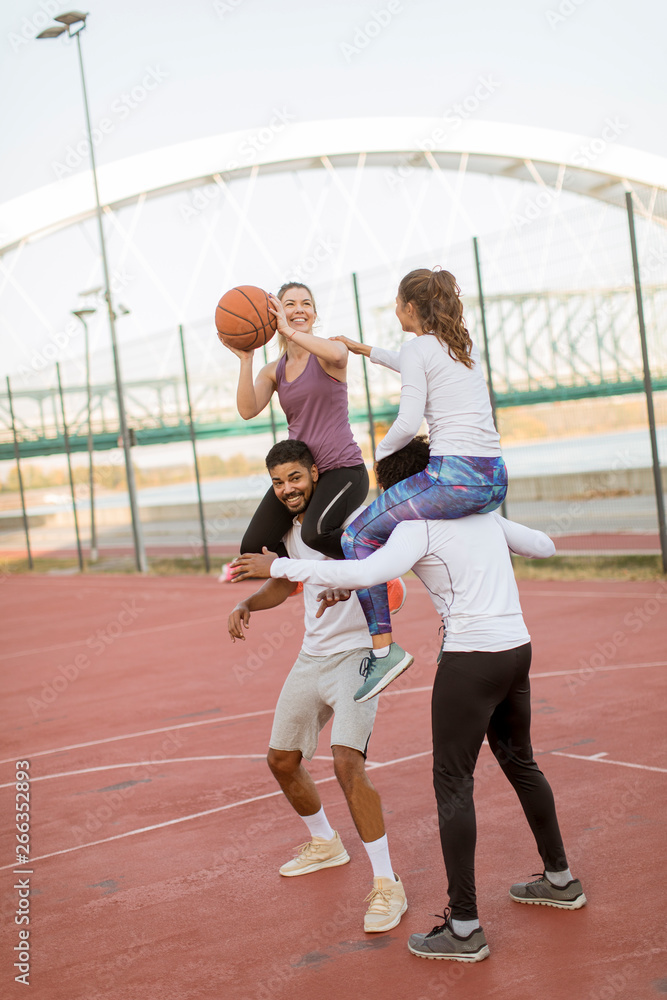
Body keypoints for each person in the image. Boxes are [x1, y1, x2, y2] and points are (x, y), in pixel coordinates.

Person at [234, 437, 586, 963]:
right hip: (517, 651)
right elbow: (545, 546)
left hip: (470, 660)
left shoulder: (414, 524)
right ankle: (560, 880)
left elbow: (367, 572)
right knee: (521, 764)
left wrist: (281, 568)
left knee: (453, 785)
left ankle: (464, 928)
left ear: (404, 489)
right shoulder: (482, 515)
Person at [227, 438, 407, 934]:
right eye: (277, 483)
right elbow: (286, 583)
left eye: (295, 478)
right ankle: (326, 843)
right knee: (281, 760)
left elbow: (394, 583)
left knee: (347, 763)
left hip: (358, 655)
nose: (287, 489)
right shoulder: (290, 531)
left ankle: (388, 883)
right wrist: (247, 605)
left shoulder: (350, 521)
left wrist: (354, 586)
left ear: (315, 474)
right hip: (312, 657)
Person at [332, 267, 508, 703]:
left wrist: (381, 454)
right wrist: (367, 351)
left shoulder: (418, 349)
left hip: (453, 480)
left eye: (397, 304)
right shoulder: (461, 348)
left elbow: (409, 422)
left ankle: (383, 651)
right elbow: (414, 363)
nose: (395, 310)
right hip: (494, 480)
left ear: (410, 307)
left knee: (356, 536)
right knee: (437, 534)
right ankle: (458, 629)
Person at [226, 281, 406, 662]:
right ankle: (291, 578)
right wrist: (246, 358)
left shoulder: (327, 354)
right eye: (289, 304)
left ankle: (379, 572)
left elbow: (341, 353)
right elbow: (247, 409)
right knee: (252, 546)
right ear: (274, 312)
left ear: (314, 313)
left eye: (306, 304)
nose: (299, 310)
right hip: (305, 475)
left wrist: (289, 332)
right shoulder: (275, 371)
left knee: (314, 532)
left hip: (343, 470)